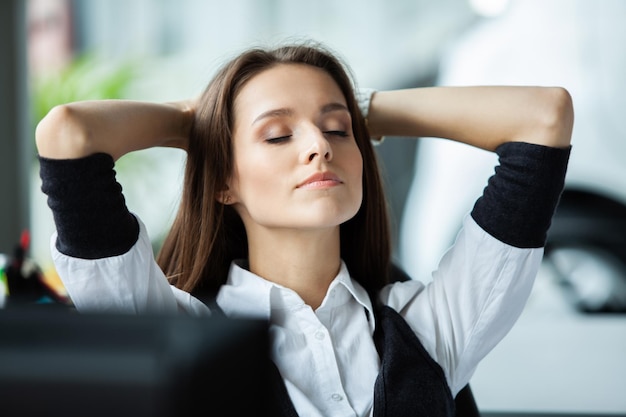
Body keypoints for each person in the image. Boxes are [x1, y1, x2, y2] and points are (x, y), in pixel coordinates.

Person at [36, 41, 573, 416]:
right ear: (224, 181)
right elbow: (69, 134)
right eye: (276, 136)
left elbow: (544, 118)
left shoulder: (427, 331)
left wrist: (367, 113)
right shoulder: (177, 332)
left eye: (337, 129)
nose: (320, 145)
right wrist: (193, 122)